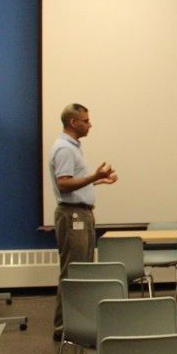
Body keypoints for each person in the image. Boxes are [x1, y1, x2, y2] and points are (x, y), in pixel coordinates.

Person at [48, 103, 118, 338]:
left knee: (82, 270)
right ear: (73, 123)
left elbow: (74, 182)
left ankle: (76, 323)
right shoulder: (65, 149)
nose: (90, 124)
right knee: (74, 271)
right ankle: (64, 326)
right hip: (72, 215)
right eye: (86, 121)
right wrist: (94, 175)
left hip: (80, 213)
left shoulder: (73, 148)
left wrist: (98, 181)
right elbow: (64, 183)